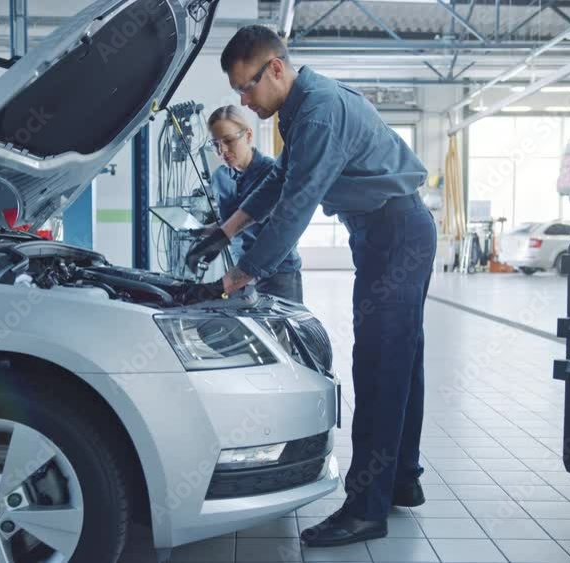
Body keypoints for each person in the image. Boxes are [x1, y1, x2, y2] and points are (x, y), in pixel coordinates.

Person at [185, 26, 437, 547]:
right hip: (386, 230)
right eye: (237, 92)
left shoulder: (319, 110)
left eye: (247, 88)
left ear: (275, 68)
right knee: (402, 360)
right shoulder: (300, 109)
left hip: (395, 233)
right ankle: (402, 480)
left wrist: (240, 274)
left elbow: (296, 205)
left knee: (379, 364)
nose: (244, 101)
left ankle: (367, 508)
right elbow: (278, 181)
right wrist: (223, 230)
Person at [203, 105, 303, 302]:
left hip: (278, 272)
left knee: (281, 332)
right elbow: (230, 223)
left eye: (229, 141)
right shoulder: (219, 178)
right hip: (239, 271)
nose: (222, 150)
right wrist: (201, 231)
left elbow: (281, 229)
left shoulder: (273, 173)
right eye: (215, 144)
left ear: (248, 135)